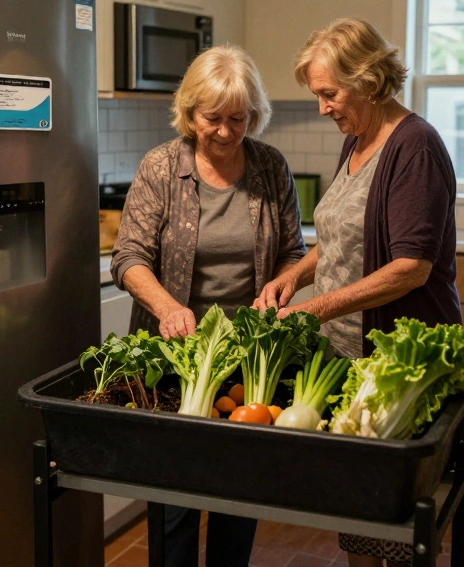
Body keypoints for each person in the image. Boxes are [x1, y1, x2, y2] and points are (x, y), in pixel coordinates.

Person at [254, 17, 461, 567]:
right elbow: (342, 237)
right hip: (350, 354)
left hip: (394, 357)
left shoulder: (414, 147)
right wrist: (292, 277)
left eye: (329, 93)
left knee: (389, 526)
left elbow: (411, 268)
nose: (322, 107)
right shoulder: (357, 140)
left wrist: (315, 308)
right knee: (360, 518)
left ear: (368, 79)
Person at [112, 44, 306, 566]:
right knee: (172, 492)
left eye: (237, 120)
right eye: (211, 119)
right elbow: (128, 255)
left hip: (248, 359)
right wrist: (167, 306)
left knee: (238, 489)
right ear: (189, 112)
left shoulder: (269, 166)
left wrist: (282, 286)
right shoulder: (161, 167)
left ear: (254, 115)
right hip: (174, 355)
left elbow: (294, 253)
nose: (224, 131)